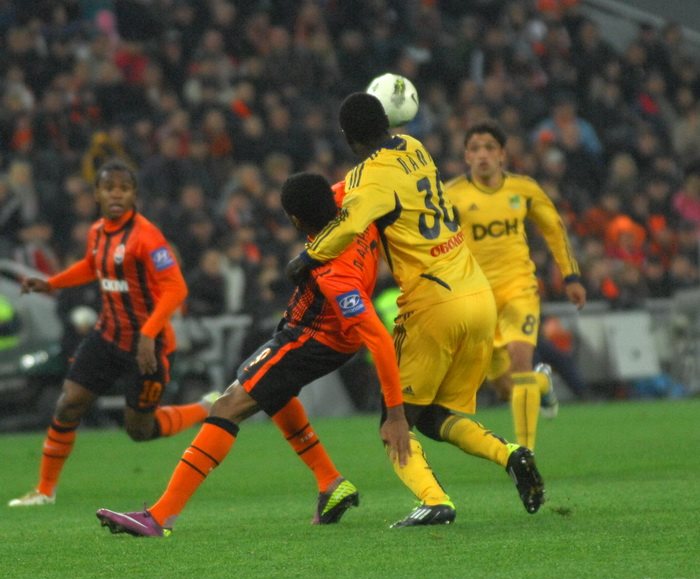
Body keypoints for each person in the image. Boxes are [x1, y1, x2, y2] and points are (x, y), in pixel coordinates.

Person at [95, 172, 410, 536]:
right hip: (320, 333)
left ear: (295, 221)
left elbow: (380, 341)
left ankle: (160, 516)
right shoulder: (354, 206)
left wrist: (395, 415)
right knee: (274, 392)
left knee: (228, 405)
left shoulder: (334, 273)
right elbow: (361, 185)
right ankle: (330, 482)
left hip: (312, 338)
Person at [287, 93, 544, 527]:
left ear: (347, 137)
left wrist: (306, 258)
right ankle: (510, 453)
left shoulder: (367, 178)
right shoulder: (414, 146)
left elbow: (348, 225)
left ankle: (434, 500)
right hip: (477, 293)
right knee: (432, 415)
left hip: (434, 301)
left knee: (394, 421)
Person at [8, 159, 218, 507]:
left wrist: (148, 334)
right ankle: (44, 491)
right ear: (97, 194)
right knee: (68, 403)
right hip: (106, 336)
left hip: (147, 345)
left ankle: (205, 408)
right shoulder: (97, 232)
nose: (116, 194)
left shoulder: (147, 236)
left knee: (140, 430)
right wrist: (52, 283)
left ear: (134, 194)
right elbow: (92, 266)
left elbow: (176, 288)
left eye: (124, 188)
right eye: (109, 188)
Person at [446, 120, 586, 450]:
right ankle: (542, 384)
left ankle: (526, 454)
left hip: (519, 287)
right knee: (505, 387)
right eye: (475, 149)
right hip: (477, 296)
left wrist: (571, 276)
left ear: (502, 155)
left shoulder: (523, 189)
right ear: (466, 156)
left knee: (520, 360)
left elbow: (554, 228)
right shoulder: (450, 195)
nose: (483, 155)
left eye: (489, 148)